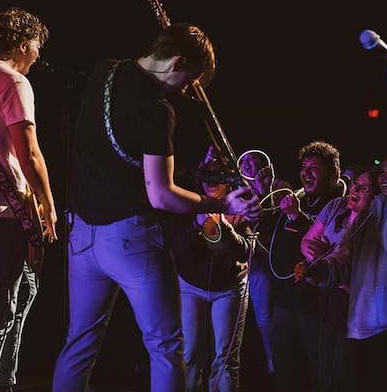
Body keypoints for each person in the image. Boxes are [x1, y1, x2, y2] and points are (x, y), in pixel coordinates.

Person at [51, 23, 261, 392]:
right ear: (177, 61)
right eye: (187, 81)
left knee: (79, 344)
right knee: (165, 347)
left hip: (82, 237)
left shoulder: (105, 71)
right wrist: (220, 203)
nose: (184, 91)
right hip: (131, 241)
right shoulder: (157, 109)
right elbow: (161, 195)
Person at [297, 150, 387, 391]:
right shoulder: (370, 215)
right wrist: (320, 270)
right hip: (365, 323)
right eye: (382, 172)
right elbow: (344, 258)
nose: (384, 177)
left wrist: (386, 210)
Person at [0, 7, 58, 392]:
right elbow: (28, 154)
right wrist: (47, 205)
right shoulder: (11, 81)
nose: (39, 56)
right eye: (37, 46)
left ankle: (4, 380)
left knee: (18, 295)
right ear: (23, 42)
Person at [168, 148, 253, 392]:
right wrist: (198, 221)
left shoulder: (240, 207)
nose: (211, 183)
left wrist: (224, 224)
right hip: (191, 287)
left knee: (225, 358)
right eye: (208, 176)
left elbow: (245, 252)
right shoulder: (189, 204)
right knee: (190, 354)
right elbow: (177, 248)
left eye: (218, 177)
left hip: (229, 288)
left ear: (228, 182)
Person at [269, 140, 347, 392]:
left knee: (320, 372)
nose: (306, 172)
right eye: (304, 167)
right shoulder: (298, 199)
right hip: (285, 301)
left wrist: (296, 217)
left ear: (334, 171)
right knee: (285, 371)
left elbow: (317, 246)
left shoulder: (340, 205)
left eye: (314, 167)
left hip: (316, 307)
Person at [299, 167, 380, 392]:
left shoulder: (374, 224)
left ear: (375, 195)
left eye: (363, 187)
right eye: (354, 184)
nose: (354, 189)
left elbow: (359, 272)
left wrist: (327, 256)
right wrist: (326, 259)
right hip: (327, 297)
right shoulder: (336, 207)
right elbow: (306, 242)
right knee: (323, 367)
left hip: (354, 305)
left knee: (345, 369)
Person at [237, 149, 292, 377]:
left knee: (274, 314)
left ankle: (280, 361)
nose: (250, 164)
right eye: (245, 162)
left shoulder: (281, 187)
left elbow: (282, 220)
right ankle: (269, 361)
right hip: (254, 263)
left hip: (277, 262)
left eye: (254, 160)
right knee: (258, 317)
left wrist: (266, 190)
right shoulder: (239, 195)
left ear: (264, 165)